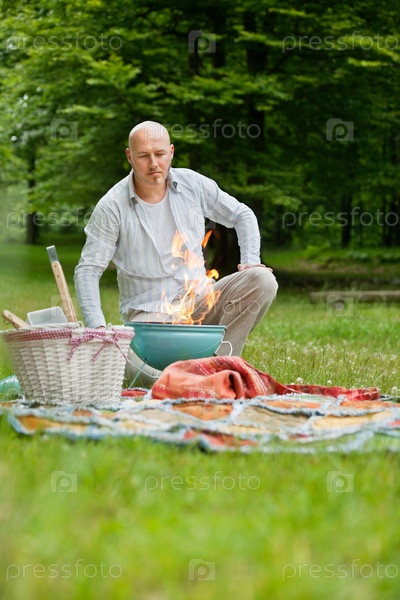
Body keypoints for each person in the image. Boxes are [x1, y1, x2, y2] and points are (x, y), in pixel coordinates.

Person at [74, 121, 278, 385]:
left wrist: (250, 261)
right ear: (129, 156)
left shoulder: (192, 184)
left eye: (159, 154)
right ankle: (177, 376)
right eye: (143, 156)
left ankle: (219, 364)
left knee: (262, 280)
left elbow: (242, 214)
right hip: (151, 320)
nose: (153, 163)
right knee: (137, 370)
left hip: (201, 302)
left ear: (171, 152)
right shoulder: (112, 206)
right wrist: (98, 328)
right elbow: (88, 270)